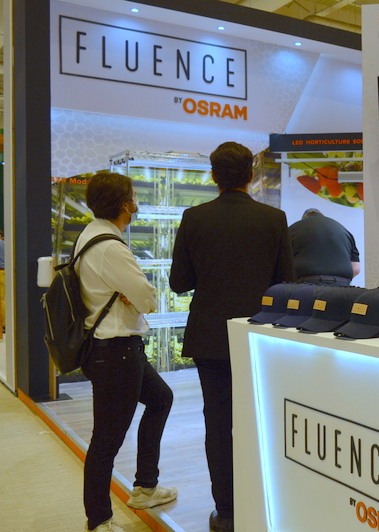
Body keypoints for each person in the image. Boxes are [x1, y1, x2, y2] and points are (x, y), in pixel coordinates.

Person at [170, 142, 295, 532]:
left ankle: (226, 511)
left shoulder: (194, 217)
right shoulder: (274, 219)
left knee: (218, 422)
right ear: (251, 175)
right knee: (260, 419)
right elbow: (287, 284)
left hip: (209, 337)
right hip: (259, 337)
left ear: (213, 176)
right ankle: (262, 503)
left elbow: (178, 282)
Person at [78, 171, 176, 532]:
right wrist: (135, 296)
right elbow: (148, 299)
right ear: (125, 204)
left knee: (160, 398)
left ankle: (145, 487)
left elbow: (134, 295)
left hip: (112, 349)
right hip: (116, 352)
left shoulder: (90, 235)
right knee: (107, 439)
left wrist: (130, 295)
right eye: (134, 196)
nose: (137, 202)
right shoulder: (111, 247)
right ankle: (99, 519)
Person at [289, 208, 360, 286]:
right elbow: (356, 269)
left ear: (304, 218)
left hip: (306, 285)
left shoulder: (293, 229)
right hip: (341, 285)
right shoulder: (343, 230)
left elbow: (283, 264)